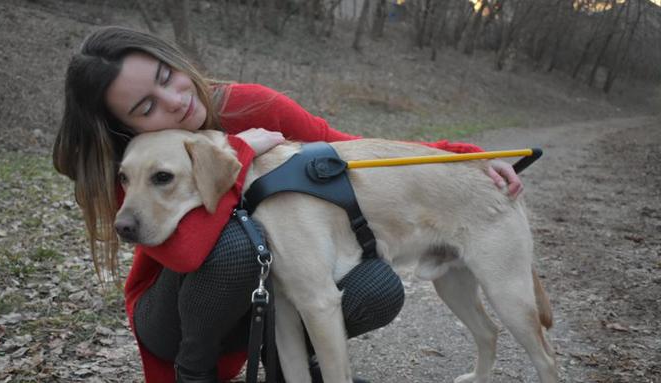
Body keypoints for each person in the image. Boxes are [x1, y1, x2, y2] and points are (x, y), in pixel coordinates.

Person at [52, 26, 524, 383]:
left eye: (166, 77)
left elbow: (348, 148)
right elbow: (189, 252)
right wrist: (239, 153)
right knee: (239, 247)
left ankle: (288, 371)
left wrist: (462, 157)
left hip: (254, 301)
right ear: (122, 128)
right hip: (176, 319)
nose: (174, 101)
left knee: (376, 286)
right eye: (146, 107)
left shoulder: (249, 107)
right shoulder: (132, 162)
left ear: (176, 61)